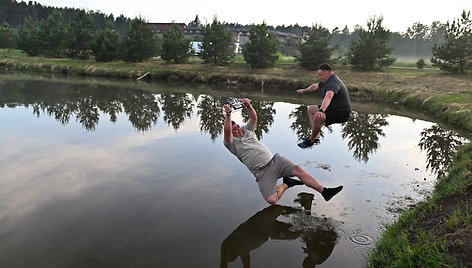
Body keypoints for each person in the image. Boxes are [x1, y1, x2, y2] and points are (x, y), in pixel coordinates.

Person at [223, 98, 343, 204]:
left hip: (276, 161)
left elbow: (253, 118)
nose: (238, 129)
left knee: (299, 171)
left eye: (238, 126)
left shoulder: (246, 129)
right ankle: (287, 183)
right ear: (231, 132)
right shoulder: (231, 143)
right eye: (235, 129)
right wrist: (228, 115)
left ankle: (325, 191)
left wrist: (249, 106)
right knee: (272, 200)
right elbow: (227, 132)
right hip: (261, 173)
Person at [296, 63, 351, 148]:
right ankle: (315, 137)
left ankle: (310, 140)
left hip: (341, 113)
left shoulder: (333, 83)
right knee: (310, 109)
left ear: (326, 73)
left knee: (319, 117)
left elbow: (328, 96)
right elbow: (315, 86)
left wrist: (321, 110)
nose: (320, 77)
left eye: (320, 75)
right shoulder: (327, 80)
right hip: (332, 108)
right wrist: (304, 90)